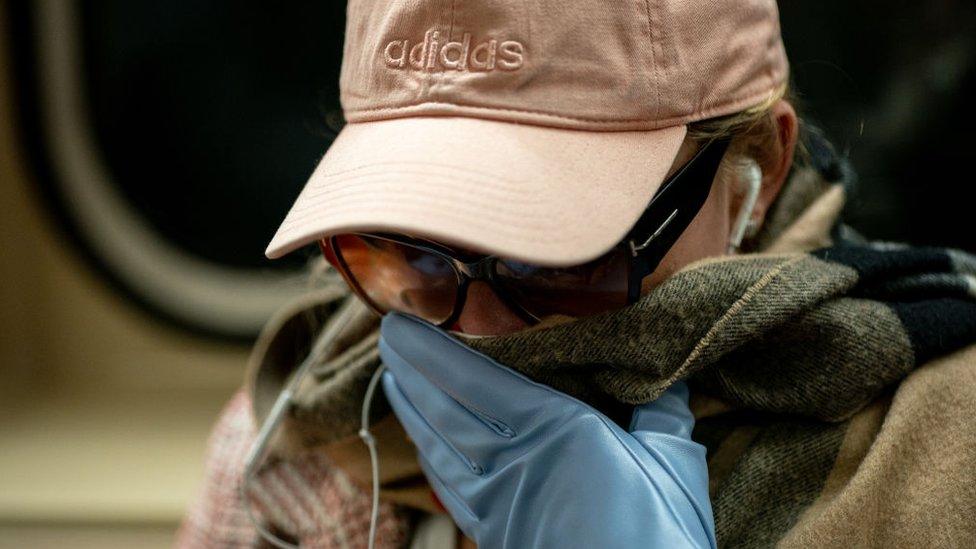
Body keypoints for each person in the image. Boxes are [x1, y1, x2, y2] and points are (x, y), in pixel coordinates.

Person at [179, 0, 976, 547]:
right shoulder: (298, 434)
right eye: (409, 251)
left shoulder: (949, 444)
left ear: (756, 170)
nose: (477, 331)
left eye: (557, 255)